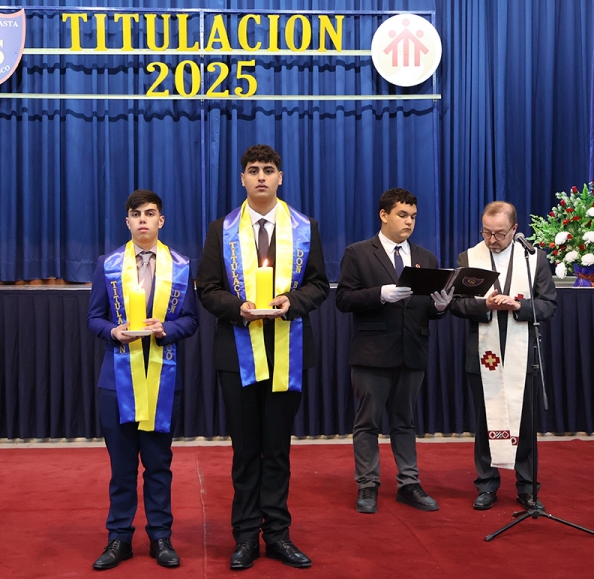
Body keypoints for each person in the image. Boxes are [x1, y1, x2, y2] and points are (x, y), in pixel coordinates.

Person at [196, 144, 329, 570]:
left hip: (288, 350)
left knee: (277, 450)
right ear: (242, 179)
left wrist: (293, 302)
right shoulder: (221, 229)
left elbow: (319, 285)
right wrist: (239, 308)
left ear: (280, 177)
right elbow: (207, 289)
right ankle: (244, 537)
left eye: (268, 170)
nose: (260, 177)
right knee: (245, 450)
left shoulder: (305, 228)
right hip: (237, 354)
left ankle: (277, 534)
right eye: (252, 170)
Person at [87, 189, 199, 571]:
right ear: (127, 221)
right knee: (121, 468)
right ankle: (119, 537)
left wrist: (166, 328)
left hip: (163, 379)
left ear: (160, 220)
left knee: (158, 465)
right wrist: (113, 332)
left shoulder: (180, 266)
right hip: (116, 382)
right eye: (136, 214)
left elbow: (191, 320)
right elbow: (94, 318)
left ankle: (160, 536)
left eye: (150, 214)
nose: (143, 220)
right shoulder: (107, 265)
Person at [335, 188, 454, 514]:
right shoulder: (358, 253)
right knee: (368, 423)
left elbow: (428, 309)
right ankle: (368, 484)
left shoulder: (426, 258)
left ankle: (408, 483)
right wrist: (380, 294)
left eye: (413, 216)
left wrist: (440, 307)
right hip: (372, 352)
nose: (409, 222)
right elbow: (343, 299)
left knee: (405, 422)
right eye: (402, 215)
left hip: (412, 351)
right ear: (384, 215)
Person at [450, 201, 556, 512]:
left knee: (525, 422)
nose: (491, 239)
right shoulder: (469, 258)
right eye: (486, 232)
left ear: (515, 230)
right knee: (485, 421)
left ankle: (527, 487)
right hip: (483, 354)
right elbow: (456, 304)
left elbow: (549, 304)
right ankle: (486, 485)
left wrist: (519, 306)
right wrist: (484, 305)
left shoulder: (533, 259)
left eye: (499, 233)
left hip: (524, 353)